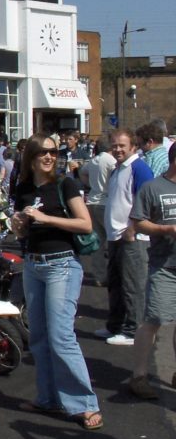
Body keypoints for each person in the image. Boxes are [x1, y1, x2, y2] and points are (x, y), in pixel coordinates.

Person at [10, 133, 102, 431]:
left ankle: (84, 404)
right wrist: (19, 226)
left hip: (62, 263)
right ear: (31, 157)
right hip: (34, 265)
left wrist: (47, 219)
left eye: (54, 152)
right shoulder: (23, 187)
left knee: (62, 336)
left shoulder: (65, 184)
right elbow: (24, 233)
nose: (50, 157)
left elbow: (85, 223)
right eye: (43, 153)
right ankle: (48, 397)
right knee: (38, 336)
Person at [126, 142, 176, 399]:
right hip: (164, 266)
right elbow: (138, 223)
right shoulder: (153, 188)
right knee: (153, 320)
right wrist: (166, 229)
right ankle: (139, 376)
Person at [99, 128, 154, 346]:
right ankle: (115, 325)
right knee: (115, 284)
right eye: (114, 145)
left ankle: (132, 332)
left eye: (122, 145)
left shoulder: (139, 169)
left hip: (132, 238)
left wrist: (133, 228)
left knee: (132, 286)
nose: (118, 149)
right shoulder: (117, 169)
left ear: (133, 146)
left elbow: (146, 202)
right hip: (115, 236)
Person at [78, 137, 115, 287]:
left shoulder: (93, 161)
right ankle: (114, 273)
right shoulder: (111, 161)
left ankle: (100, 276)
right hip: (106, 202)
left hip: (92, 201)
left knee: (98, 242)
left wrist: (89, 184)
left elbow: (82, 172)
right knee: (113, 240)